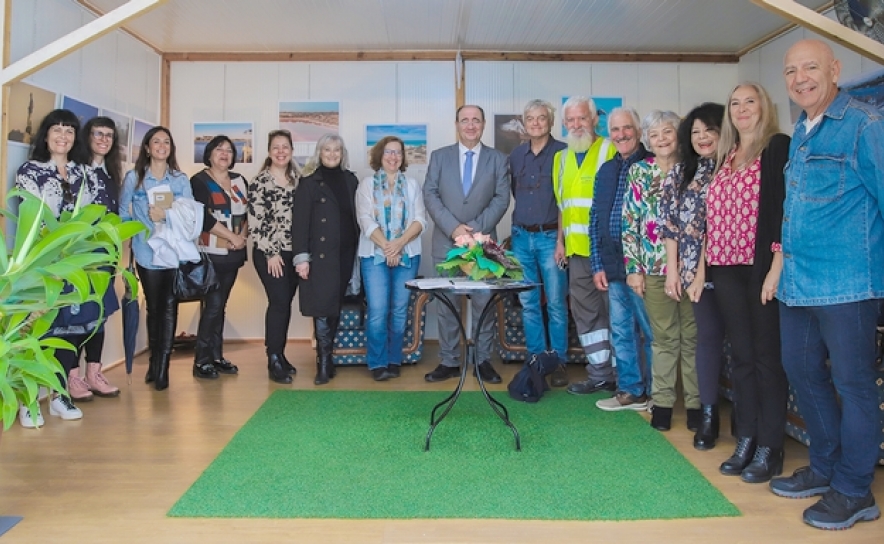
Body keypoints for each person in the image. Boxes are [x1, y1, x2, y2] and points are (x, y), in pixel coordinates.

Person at [769, 39, 882, 530]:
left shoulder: (864, 124)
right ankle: (826, 467)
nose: (800, 79)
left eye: (811, 67)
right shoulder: (801, 128)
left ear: (835, 70)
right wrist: (778, 265)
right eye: (792, 71)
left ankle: (855, 491)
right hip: (797, 282)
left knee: (854, 386)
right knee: (800, 370)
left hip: (849, 284)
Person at [706, 82, 789, 484]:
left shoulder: (776, 148)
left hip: (759, 267)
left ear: (764, 107)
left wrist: (776, 264)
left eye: (749, 102)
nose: (741, 109)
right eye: (735, 103)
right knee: (739, 357)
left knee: (765, 358)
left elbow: (782, 209)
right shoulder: (726, 156)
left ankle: (771, 447)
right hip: (724, 269)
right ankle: (747, 438)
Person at [14, 109, 102, 425]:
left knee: (69, 333)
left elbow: (90, 217)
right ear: (46, 135)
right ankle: (28, 402)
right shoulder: (30, 171)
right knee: (38, 330)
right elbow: (34, 219)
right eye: (57, 130)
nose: (63, 136)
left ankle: (59, 395)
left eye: (69, 131)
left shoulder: (83, 173)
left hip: (75, 263)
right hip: (42, 264)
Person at [422, 105, 510, 384]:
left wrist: (475, 230)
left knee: (483, 303)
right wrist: (454, 228)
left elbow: (502, 198)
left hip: (483, 244)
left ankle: (482, 361)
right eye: (465, 120)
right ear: (457, 124)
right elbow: (430, 194)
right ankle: (448, 360)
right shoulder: (439, 157)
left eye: (475, 120)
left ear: (483, 124)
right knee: (447, 302)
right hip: (446, 241)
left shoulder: (498, 159)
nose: (470, 125)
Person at [622, 110, 697, 432]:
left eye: (668, 132)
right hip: (652, 269)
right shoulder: (640, 171)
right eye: (655, 135)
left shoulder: (695, 169)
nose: (662, 139)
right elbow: (630, 223)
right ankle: (663, 404)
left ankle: (696, 407)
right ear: (647, 141)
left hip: (692, 270)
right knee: (663, 339)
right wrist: (633, 269)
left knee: (693, 340)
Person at [661, 103, 727, 449]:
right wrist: (673, 270)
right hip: (690, 270)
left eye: (709, 130)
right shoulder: (681, 173)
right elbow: (670, 226)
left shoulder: (731, 169)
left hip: (731, 266)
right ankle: (708, 416)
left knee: (743, 346)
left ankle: (747, 420)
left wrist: (700, 269)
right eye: (696, 131)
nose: (702, 137)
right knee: (707, 340)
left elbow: (713, 227)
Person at [119, 126, 198, 391]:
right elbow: (122, 214)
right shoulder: (134, 178)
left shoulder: (180, 180)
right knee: (155, 307)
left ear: (171, 148)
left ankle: (163, 366)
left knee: (169, 305)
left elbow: (189, 216)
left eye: (166, 142)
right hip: (146, 251)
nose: (161, 146)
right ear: (147, 147)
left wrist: (166, 217)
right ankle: (155, 361)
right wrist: (138, 230)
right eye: (156, 141)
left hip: (173, 252)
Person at [591, 107, 655, 412]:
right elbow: (595, 219)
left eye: (627, 128)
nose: (621, 135)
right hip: (613, 265)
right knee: (621, 331)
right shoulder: (605, 170)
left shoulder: (652, 164)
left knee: (651, 331)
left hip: (644, 265)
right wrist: (597, 264)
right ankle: (631, 391)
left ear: (638, 131)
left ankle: (659, 394)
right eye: (615, 130)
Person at [553, 96, 617, 395]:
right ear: (564, 125)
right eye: (571, 120)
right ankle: (599, 374)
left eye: (582, 118)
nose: (576, 125)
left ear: (594, 120)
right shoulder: (561, 158)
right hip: (577, 252)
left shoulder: (610, 149)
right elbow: (562, 206)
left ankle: (625, 377)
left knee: (616, 313)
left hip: (608, 251)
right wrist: (560, 242)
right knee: (587, 315)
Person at [508, 99, 569, 386]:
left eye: (541, 118)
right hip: (521, 237)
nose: (535, 123)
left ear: (550, 121)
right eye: (530, 118)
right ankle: (535, 359)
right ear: (524, 123)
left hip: (550, 238)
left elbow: (565, 202)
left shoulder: (563, 153)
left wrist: (561, 241)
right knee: (529, 302)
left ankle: (556, 363)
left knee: (556, 303)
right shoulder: (516, 155)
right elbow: (514, 194)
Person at [356, 136, 426, 381]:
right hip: (373, 255)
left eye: (398, 152)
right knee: (377, 309)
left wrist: (398, 245)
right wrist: (387, 247)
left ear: (403, 157)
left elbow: (420, 220)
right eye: (388, 152)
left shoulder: (412, 185)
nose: (393, 157)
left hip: (407, 254)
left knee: (398, 310)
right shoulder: (366, 185)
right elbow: (365, 220)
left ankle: (394, 359)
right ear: (379, 155)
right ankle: (377, 362)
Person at [293, 134, 359, 386]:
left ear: (343, 154)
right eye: (327, 150)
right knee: (322, 308)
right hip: (320, 257)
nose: (332, 154)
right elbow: (300, 224)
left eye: (337, 150)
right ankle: (323, 363)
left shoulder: (351, 180)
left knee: (334, 307)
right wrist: (301, 258)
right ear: (319, 153)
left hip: (346, 255)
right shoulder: (309, 183)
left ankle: (328, 358)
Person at [67, 116, 126, 400]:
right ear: (86, 137)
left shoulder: (111, 175)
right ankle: (72, 378)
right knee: (74, 319)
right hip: (78, 257)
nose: (104, 140)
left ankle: (94, 372)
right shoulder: (73, 171)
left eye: (109, 136)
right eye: (98, 134)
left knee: (98, 318)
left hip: (105, 258)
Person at [189, 135, 248, 381]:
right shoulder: (199, 181)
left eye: (229, 150)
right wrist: (231, 237)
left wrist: (241, 237)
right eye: (219, 149)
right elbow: (204, 218)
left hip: (234, 255)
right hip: (211, 254)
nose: (224, 154)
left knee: (220, 306)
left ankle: (216, 356)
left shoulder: (239, 180)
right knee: (212, 306)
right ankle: (201, 360)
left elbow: (246, 214)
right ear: (210, 154)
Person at [249, 130, 301, 384]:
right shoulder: (260, 182)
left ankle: (280, 353)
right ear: (269, 151)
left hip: (294, 253)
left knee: (285, 303)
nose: (281, 151)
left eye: (285, 147)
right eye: (276, 147)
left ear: (291, 150)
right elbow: (256, 223)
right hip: (270, 253)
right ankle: (273, 359)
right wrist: (271, 253)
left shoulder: (298, 178)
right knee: (279, 302)